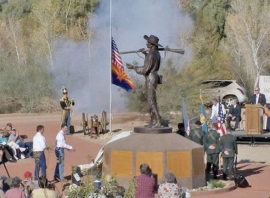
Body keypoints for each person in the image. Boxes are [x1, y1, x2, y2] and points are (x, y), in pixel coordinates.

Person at [126, 35, 163, 128]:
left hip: (151, 77)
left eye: (148, 42)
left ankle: (158, 121)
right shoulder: (155, 53)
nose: (146, 43)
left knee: (151, 100)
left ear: (151, 44)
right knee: (151, 100)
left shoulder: (151, 54)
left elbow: (146, 69)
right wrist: (145, 54)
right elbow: (150, 63)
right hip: (152, 76)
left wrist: (134, 67)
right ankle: (153, 121)